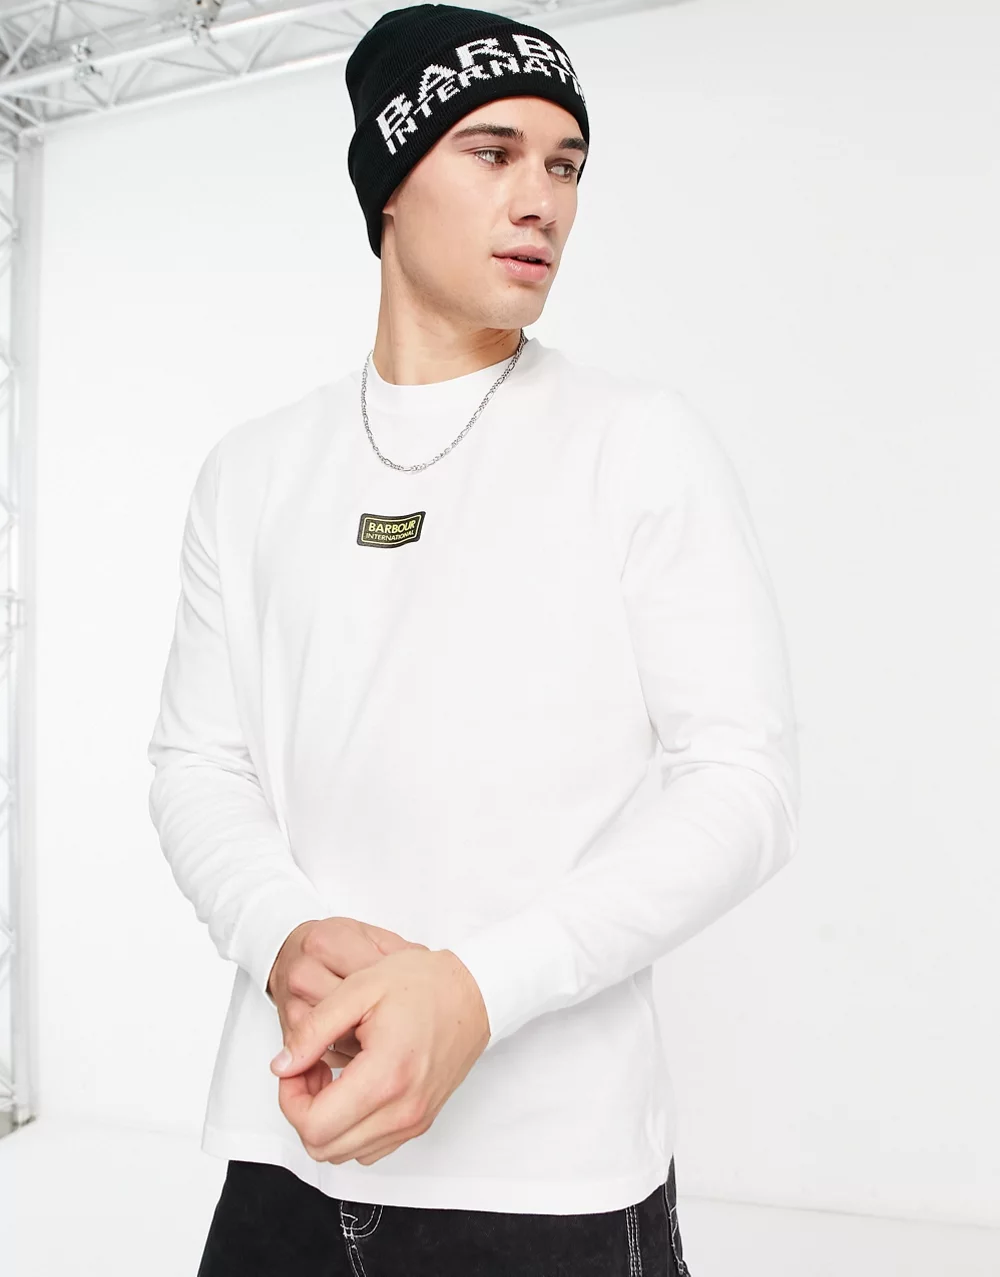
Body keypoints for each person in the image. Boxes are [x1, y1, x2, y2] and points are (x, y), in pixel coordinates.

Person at [145, 3, 800, 1272]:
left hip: (550, 1179)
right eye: (491, 152)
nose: (541, 200)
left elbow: (745, 783)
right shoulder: (252, 470)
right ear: (390, 183)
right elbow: (195, 763)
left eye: (566, 164)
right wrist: (280, 932)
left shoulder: (637, 441)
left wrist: (476, 989)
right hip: (286, 1147)